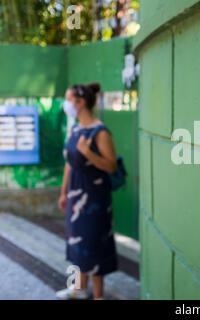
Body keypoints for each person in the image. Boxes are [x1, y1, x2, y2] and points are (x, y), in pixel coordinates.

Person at [56, 83, 118, 300]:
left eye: (68, 99)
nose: (66, 104)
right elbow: (69, 164)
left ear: (80, 102)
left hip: (95, 198)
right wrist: (64, 192)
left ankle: (98, 296)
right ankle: (77, 289)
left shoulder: (99, 132)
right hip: (75, 195)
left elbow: (111, 166)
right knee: (76, 243)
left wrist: (87, 153)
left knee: (94, 243)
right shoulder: (75, 129)